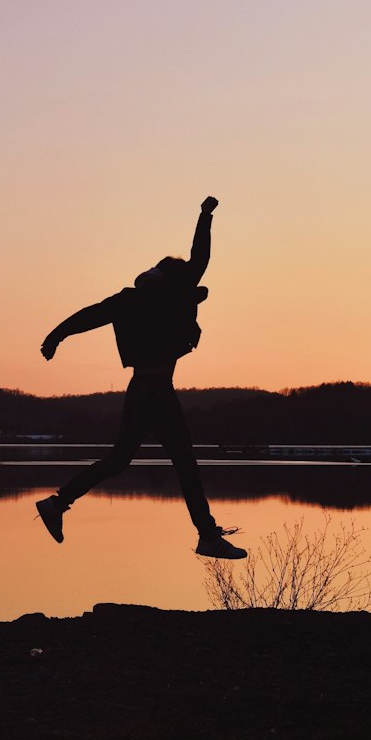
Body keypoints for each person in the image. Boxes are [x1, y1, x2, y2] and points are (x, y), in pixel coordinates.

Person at [36, 197, 247, 559]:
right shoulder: (169, 293)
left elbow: (90, 315)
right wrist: (205, 217)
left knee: (123, 461)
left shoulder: (132, 299)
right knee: (183, 463)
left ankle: (58, 503)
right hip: (155, 392)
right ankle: (208, 537)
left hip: (144, 390)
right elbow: (200, 258)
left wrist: (56, 336)